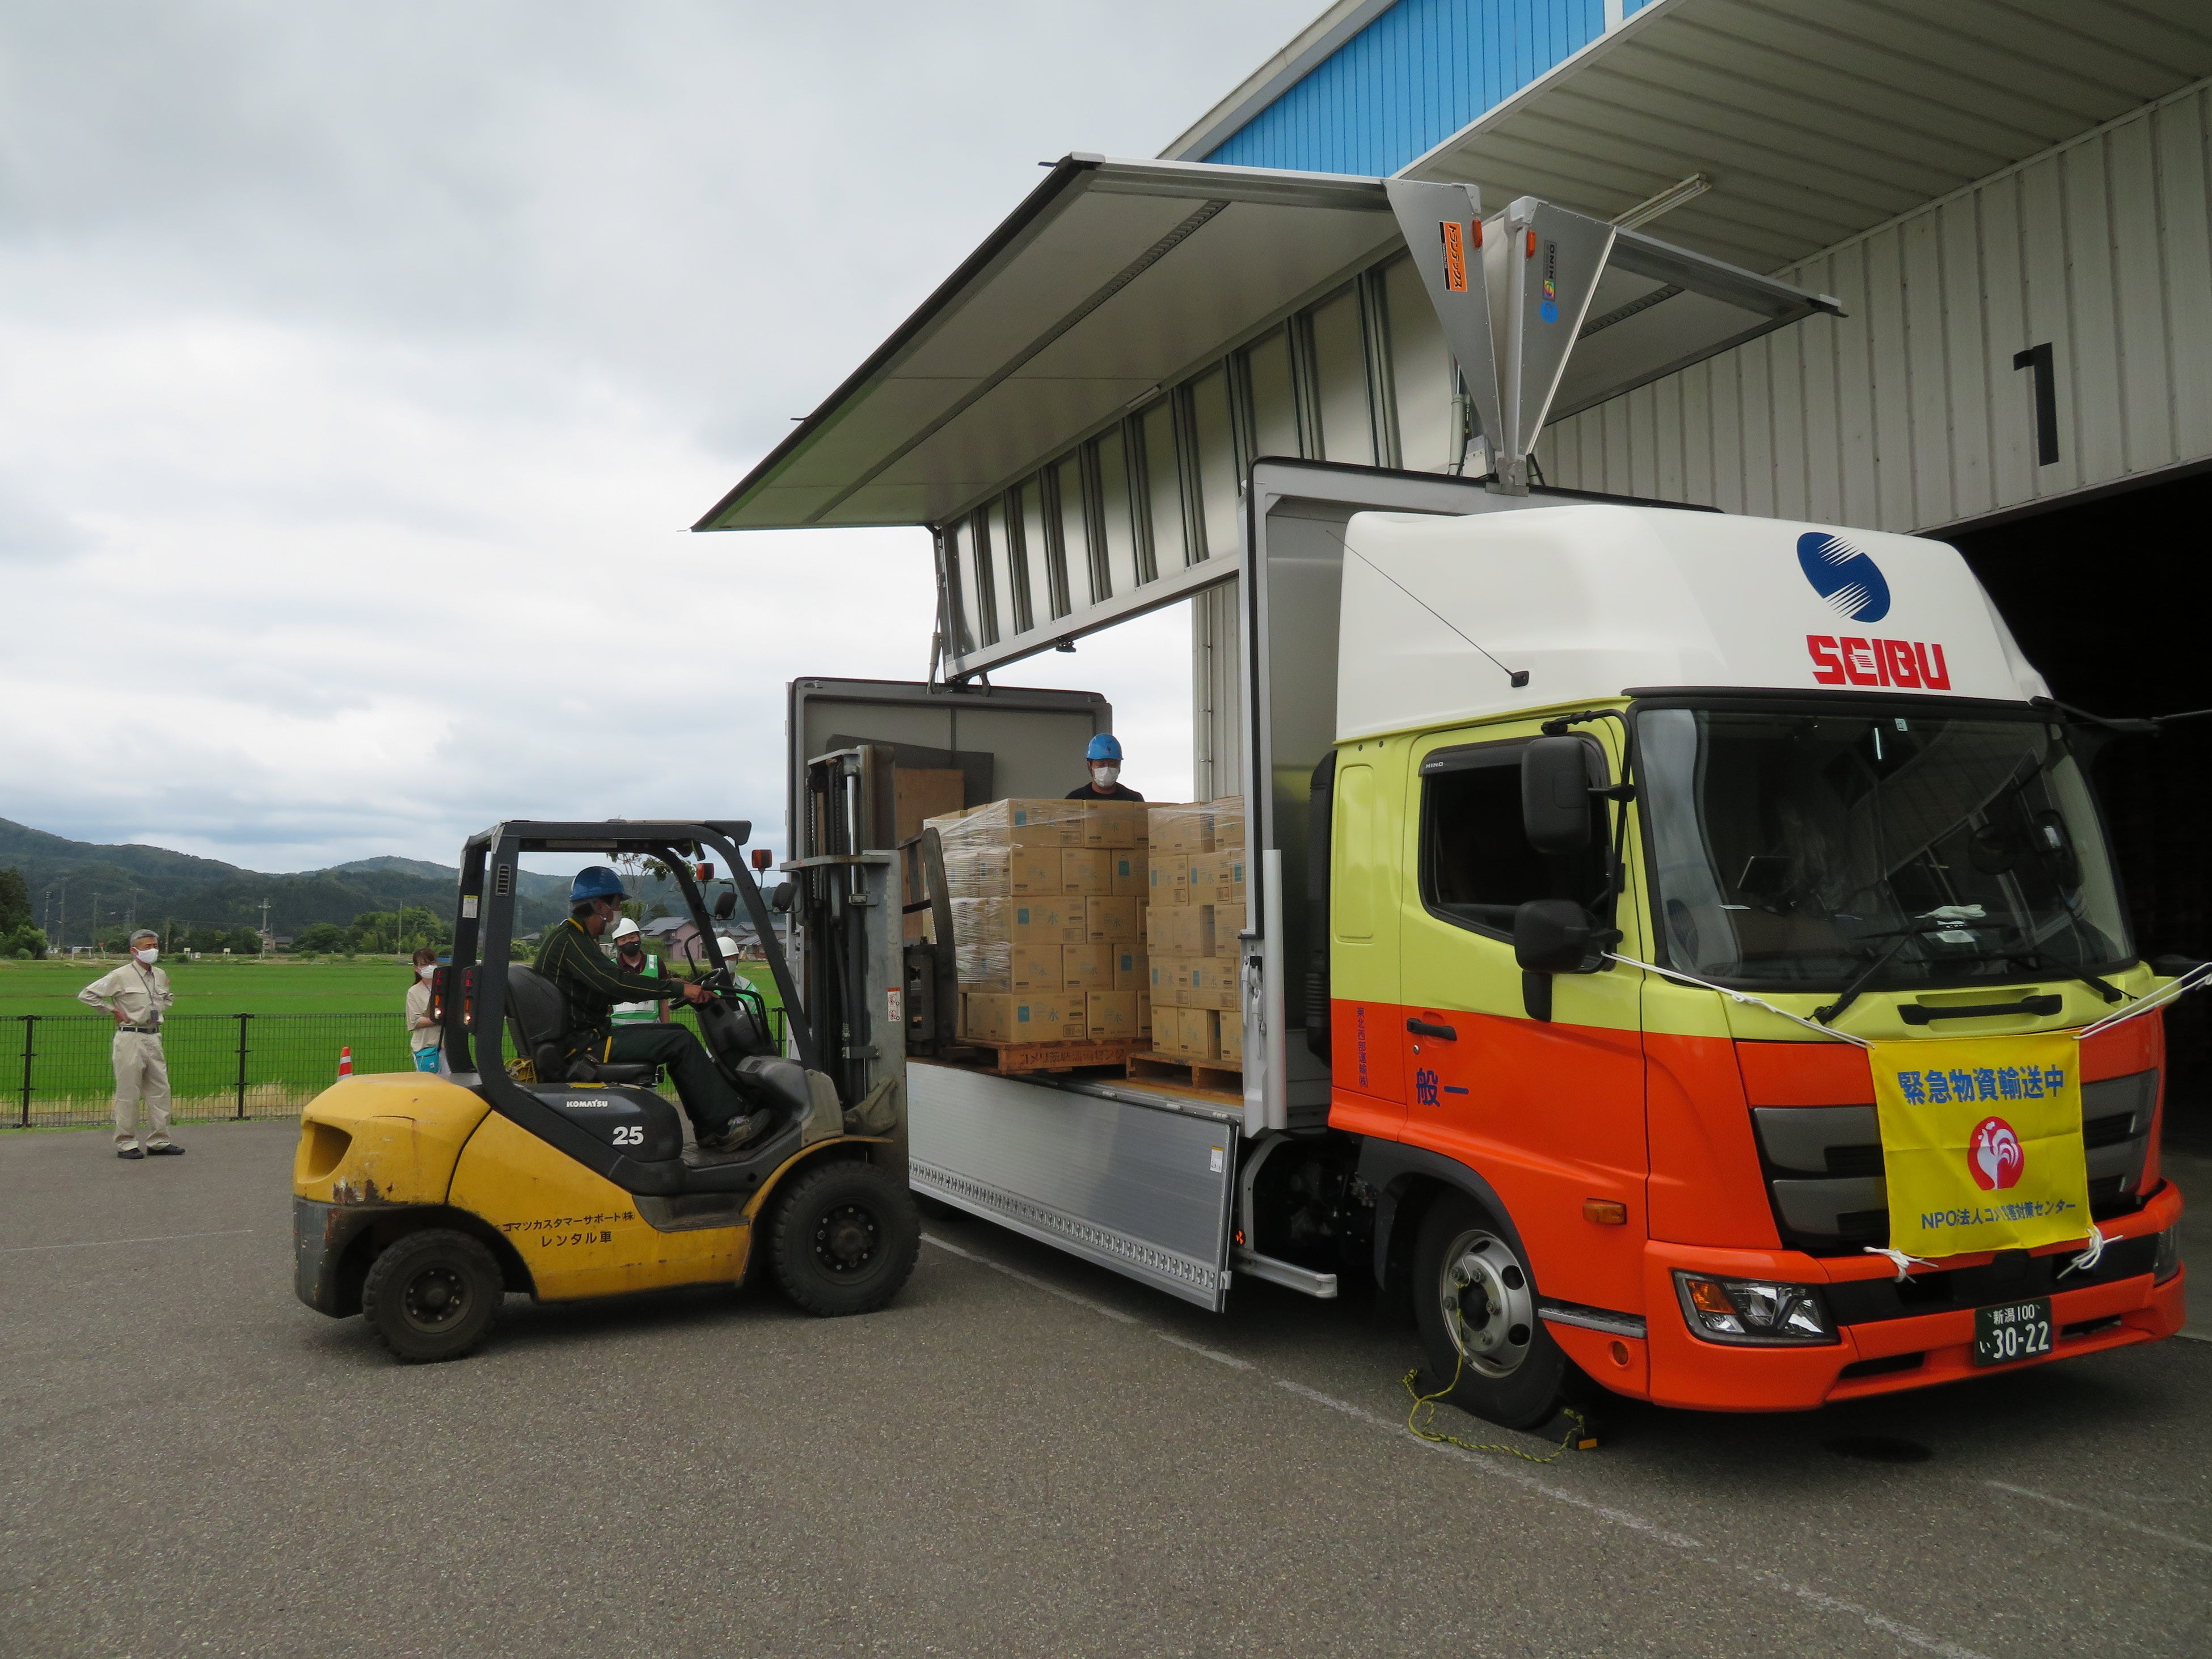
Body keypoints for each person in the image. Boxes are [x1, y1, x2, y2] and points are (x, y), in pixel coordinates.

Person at [536, 868, 770, 1153]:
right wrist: (680, 990)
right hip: (584, 1045)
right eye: (617, 906)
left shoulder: (575, 939)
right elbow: (617, 983)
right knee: (680, 1041)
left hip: (587, 1037)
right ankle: (725, 1126)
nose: (618, 914)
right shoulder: (572, 941)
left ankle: (709, 1128)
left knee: (676, 1033)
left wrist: (677, 986)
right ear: (600, 907)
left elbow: (609, 986)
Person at [78, 930, 181, 1160]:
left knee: (160, 1090)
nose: (152, 950)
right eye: (147, 947)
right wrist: (112, 1010)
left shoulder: (160, 975)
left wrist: (158, 1010)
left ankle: (159, 1141)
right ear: (134, 951)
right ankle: (126, 1143)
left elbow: (167, 997)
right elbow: (88, 994)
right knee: (128, 1091)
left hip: (153, 1035)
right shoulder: (120, 975)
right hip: (130, 1036)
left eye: (155, 946)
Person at [606, 918, 665, 1027]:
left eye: (632, 937)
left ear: (639, 938)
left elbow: (663, 1000)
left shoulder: (656, 963)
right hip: (619, 1031)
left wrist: (666, 1027)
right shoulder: (611, 967)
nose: (629, 942)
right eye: (623, 940)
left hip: (652, 1030)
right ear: (617, 944)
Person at [1066, 732, 1144, 801]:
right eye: (1101, 765)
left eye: (1113, 765)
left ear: (1119, 766)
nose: (1107, 770)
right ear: (1089, 765)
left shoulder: (1134, 800)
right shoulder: (1075, 799)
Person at [405, 947, 443, 1071]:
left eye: (432, 963)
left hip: (448, 1048)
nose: (429, 967)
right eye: (424, 964)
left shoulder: (446, 986)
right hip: (427, 1048)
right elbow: (415, 1021)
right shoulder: (414, 992)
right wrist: (439, 1019)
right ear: (417, 968)